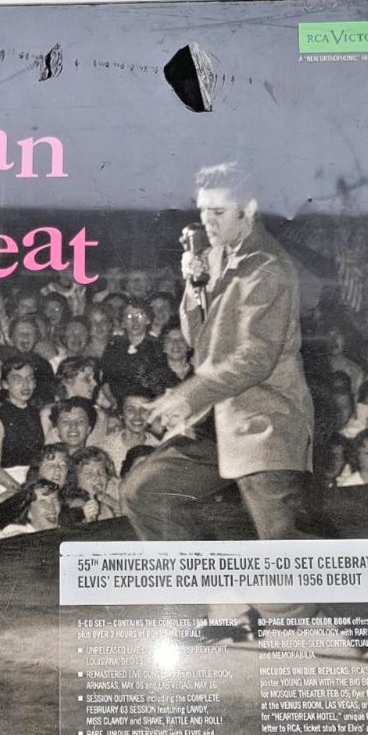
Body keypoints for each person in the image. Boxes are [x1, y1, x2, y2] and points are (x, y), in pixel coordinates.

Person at [123, 162, 314, 541]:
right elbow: (199, 340)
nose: (208, 222)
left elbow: (255, 358)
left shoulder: (267, 267)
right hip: (217, 419)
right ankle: (200, 577)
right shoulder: (215, 257)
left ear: (249, 209)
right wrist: (192, 288)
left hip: (264, 419)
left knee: (283, 547)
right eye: (203, 211)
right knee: (144, 492)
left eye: (219, 212)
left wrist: (187, 395)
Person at [0, 356, 45, 497]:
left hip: (33, 482)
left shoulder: (36, 413)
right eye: (17, 379)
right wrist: (22, 493)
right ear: (5, 384)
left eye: (30, 379)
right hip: (8, 484)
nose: (25, 385)